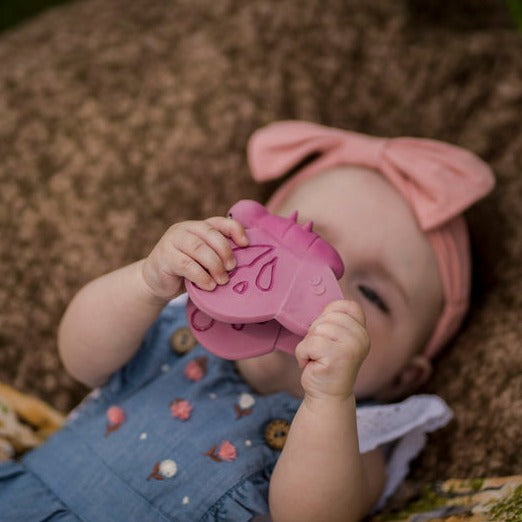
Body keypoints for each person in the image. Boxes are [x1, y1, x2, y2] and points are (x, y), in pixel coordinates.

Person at [0, 121, 495, 522]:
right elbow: (78, 358)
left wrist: (330, 397)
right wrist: (148, 281)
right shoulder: (175, 323)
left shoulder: (358, 430)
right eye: (304, 243)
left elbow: (313, 517)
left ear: (404, 376)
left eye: (370, 293)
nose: (319, 287)